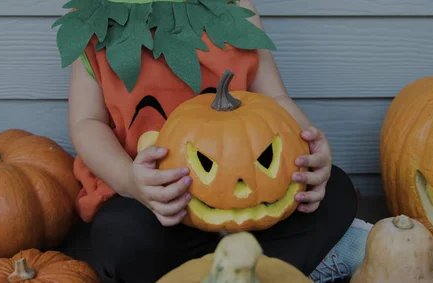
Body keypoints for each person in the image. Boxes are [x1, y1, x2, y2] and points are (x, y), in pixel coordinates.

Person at [55, 0, 372, 282]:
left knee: (335, 191)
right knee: (122, 236)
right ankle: (273, 265)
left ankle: (240, 267)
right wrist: (129, 181)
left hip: (252, 195)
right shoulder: (92, 19)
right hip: (158, 203)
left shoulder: (234, 6)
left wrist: (312, 146)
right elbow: (87, 123)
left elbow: (275, 97)